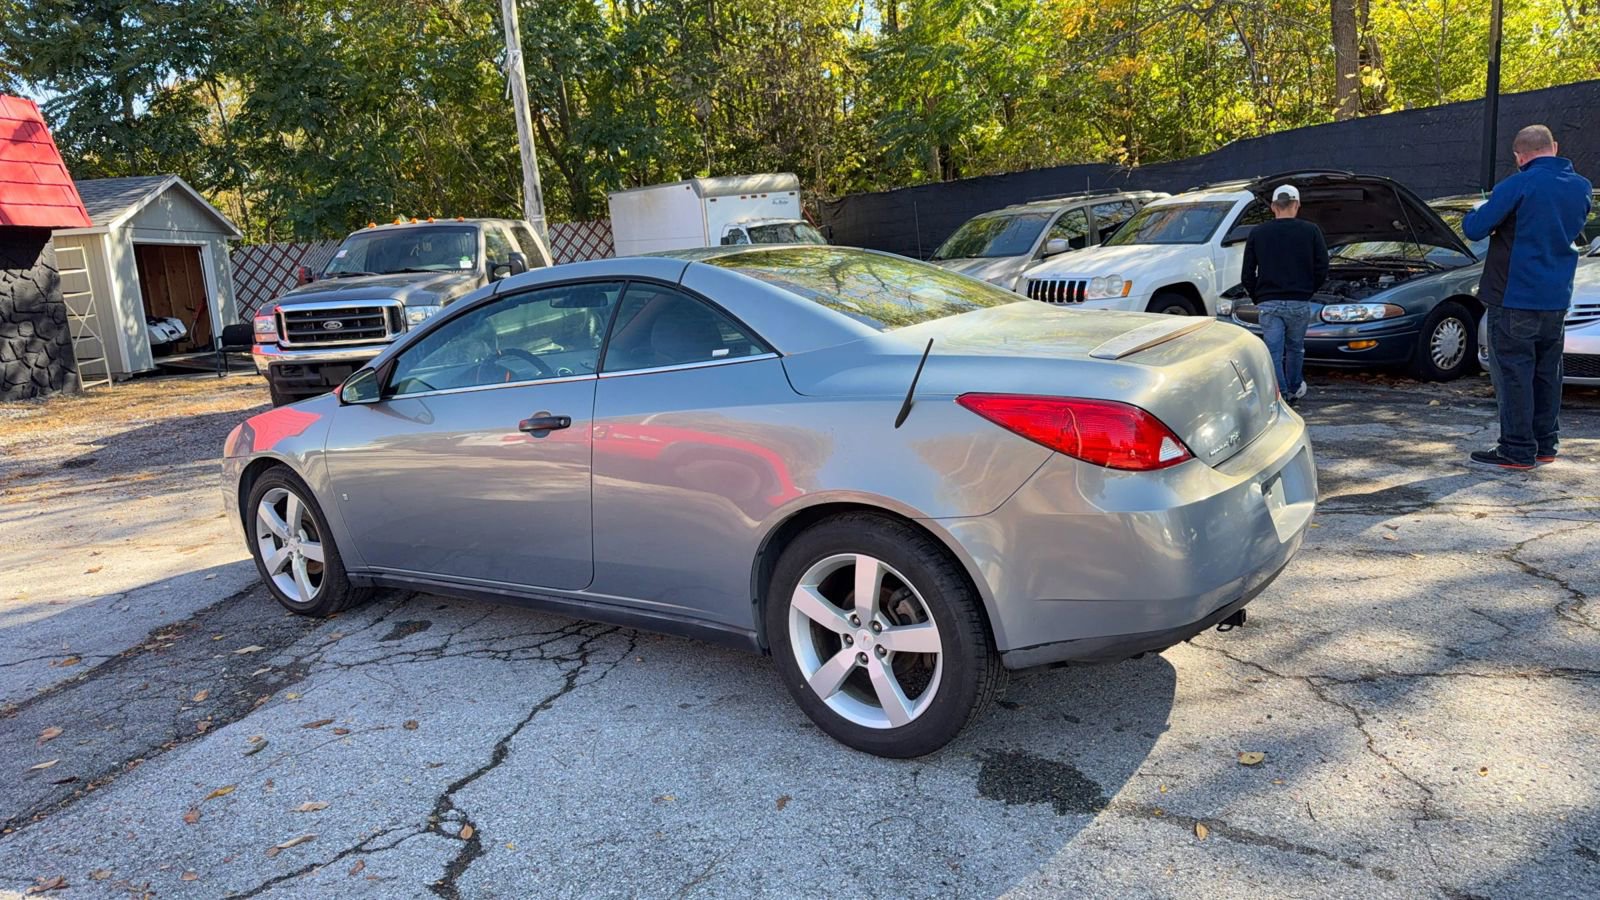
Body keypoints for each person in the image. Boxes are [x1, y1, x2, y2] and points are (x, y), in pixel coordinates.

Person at [1463, 125, 1593, 470]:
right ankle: (1546, 444)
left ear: (1519, 157)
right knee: (1548, 373)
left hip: (1514, 296)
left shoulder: (1518, 184)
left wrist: (1477, 209)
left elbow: (1475, 228)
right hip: (1556, 298)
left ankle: (1517, 448)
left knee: (1513, 373)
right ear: (1555, 147)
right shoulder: (1582, 188)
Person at [1241, 184, 1329, 404]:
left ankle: (1279, 393)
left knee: (1273, 349)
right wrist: (1308, 289)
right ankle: (1294, 387)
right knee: (1295, 348)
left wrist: (1257, 296)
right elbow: (1322, 267)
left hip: (1269, 302)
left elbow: (1247, 273)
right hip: (1299, 300)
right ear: (1297, 204)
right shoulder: (1311, 231)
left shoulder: (1258, 233)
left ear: (1273, 206)